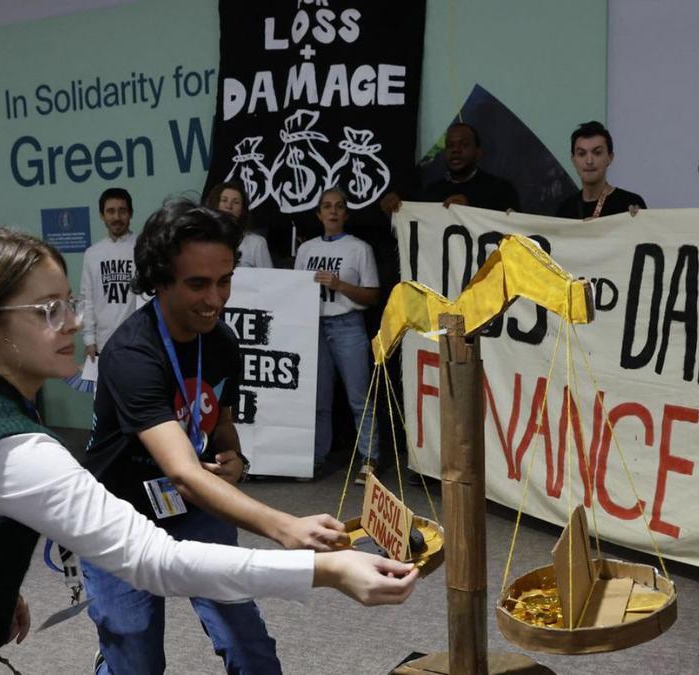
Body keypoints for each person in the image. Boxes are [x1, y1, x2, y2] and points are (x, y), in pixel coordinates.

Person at [0, 229, 416, 673]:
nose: (71, 323)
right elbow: (154, 561)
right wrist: (327, 570)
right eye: (46, 310)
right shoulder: (11, 444)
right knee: (134, 639)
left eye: (70, 303)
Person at [81, 198, 358, 674]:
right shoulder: (131, 354)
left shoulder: (221, 340)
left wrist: (235, 459)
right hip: (118, 517)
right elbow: (183, 474)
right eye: (197, 284)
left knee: (250, 649)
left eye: (224, 280)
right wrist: (286, 527)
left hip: (192, 508)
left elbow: (219, 423)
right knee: (136, 662)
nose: (216, 298)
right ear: (158, 279)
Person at [296, 188, 381, 484]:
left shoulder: (359, 248)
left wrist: (339, 284)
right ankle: (317, 457)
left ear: (346, 213)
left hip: (348, 324)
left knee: (359, 396)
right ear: (318, 214)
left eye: (339, 206)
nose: (332, 211)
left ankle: (369, 457)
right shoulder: (305, 249)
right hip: (314, 326)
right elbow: (295, 289)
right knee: (318, 399)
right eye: (326, 206)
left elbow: (372, 295)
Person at [380, 122, 520, 213]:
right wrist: (395, 212)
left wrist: (469, 213)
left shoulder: (501, 189)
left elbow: (515, 236)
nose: (455, 150)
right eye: (450, 145)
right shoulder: (432, 192)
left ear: (478, 153)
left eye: (464, 144)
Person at [81, 187, 141, 362]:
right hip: (103, 344)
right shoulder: (92, 253)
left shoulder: (144, 247)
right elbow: (87, 299)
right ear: (102, 215)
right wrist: (89, 340)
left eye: (122, 211)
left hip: (139, 342)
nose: (116, 217)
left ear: (130, 214)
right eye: (110, 211)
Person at [555, 121, 646, 219]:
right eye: (581, 154)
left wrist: (639, 220)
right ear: (573, 160)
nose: (589, 161)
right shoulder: (565, 209)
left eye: (597, 153)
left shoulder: (629, 204)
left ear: (610, 158)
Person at [206, 181, 273, 268]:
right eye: (224, 200)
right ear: (215, 205)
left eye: (236, 202)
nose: (229, 206)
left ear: (242, 210)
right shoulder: (201, 240)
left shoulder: (256, 243)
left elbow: (268, 279)